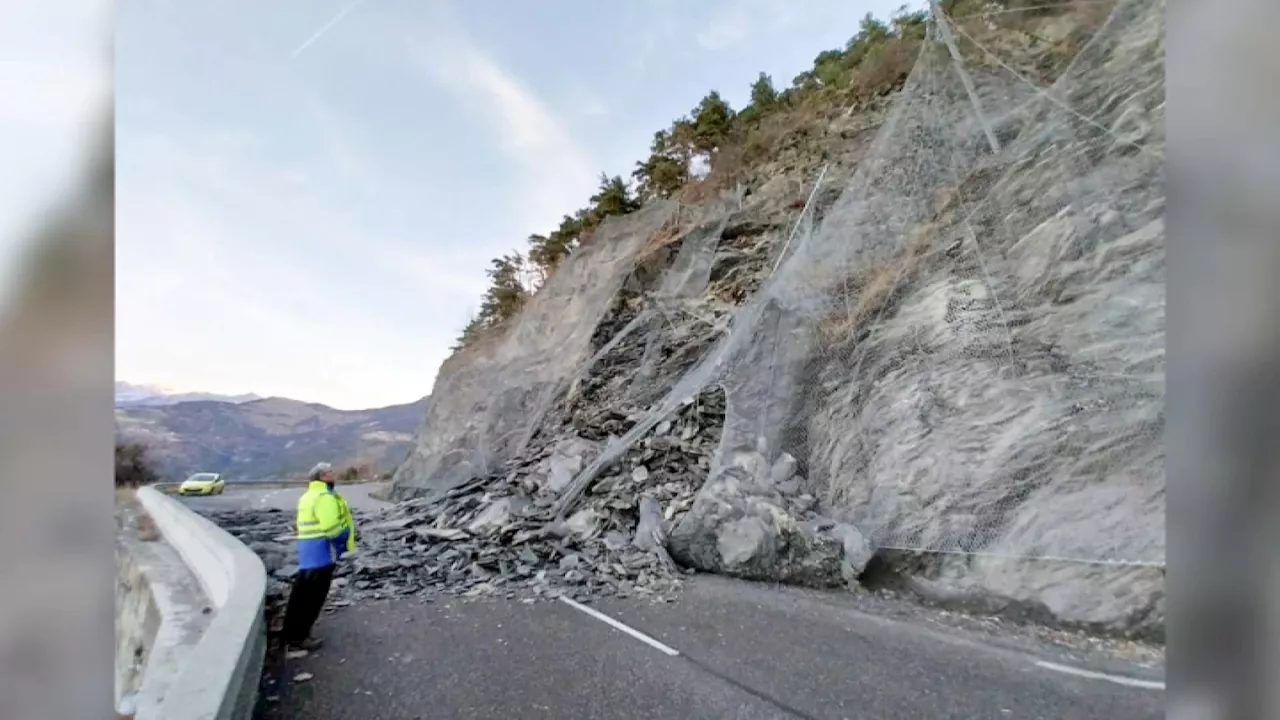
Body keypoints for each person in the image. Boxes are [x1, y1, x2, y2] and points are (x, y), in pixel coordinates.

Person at [281, 462, 350, 651]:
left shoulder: (307, 496)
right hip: (321, 554)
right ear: (323, 477)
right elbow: (331, 528)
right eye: (330, 472)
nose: (334, 475)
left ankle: (290, 634)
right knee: (313, 599)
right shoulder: (325, 497)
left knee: (300, 596)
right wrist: (344, 537)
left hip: (307, 554)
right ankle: (300, 638)